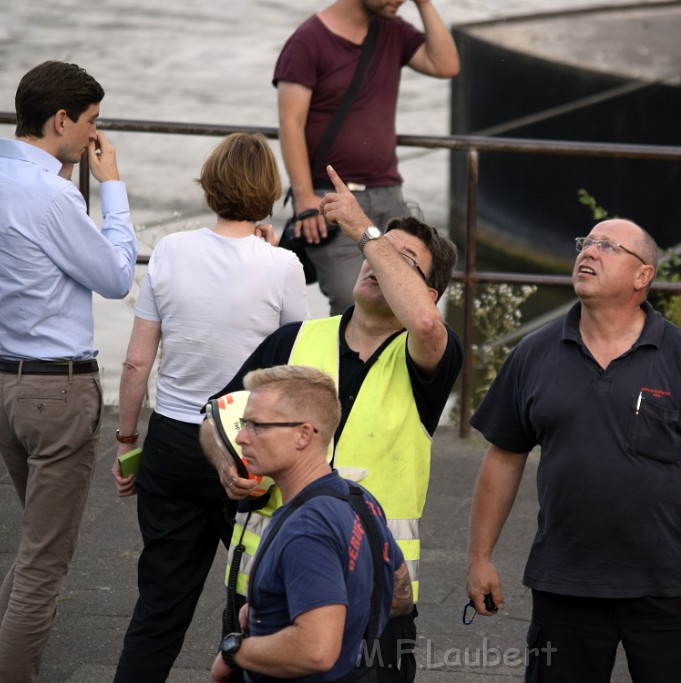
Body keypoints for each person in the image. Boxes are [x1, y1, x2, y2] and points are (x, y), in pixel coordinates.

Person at [203, 165, 462, 680]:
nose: (375, 260)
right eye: (377, 251)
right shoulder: (296, 338)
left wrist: (365, 230)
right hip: (266, 583)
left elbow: (428, 325)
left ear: (427, 293)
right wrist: (225, 462)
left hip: (375, 595)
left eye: (399, 259)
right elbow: (215, 417)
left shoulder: (428, 356)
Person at [465, 219, 681, 683]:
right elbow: (503, 458)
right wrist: (479, 559)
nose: (588, 252)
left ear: (643, 276)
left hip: (672, 588)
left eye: (607, 246)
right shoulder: (534, 354)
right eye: (585, 243)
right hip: (564, 584)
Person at [0, 60, 138, 683]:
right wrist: (111, 187)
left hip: (1, 384)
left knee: (35, 548)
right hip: (57, 389)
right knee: (45, 565)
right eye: (90, 123)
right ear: (61, 120)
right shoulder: (54, 194)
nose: (93, 138)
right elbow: (113, 277)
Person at [111, 132, 309, 682]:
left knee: (159, 605)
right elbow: (296, 361)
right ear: (267, 190)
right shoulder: (283, 267)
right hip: (247, 445)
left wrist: (128, 442)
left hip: (173, 439)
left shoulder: (171, 251)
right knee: (258, 598)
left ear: (210, 183)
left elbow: (135, 363)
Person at [210, 365, 412, 683]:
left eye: (256, 426)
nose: (240, 437)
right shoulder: (359, 498)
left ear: (304, 434)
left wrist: (235, 650)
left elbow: (315, 651)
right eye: (243, 423)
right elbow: (400, 597)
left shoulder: (306, 529)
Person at [275, 0, 460, 315]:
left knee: (408, 298)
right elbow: (290, 123)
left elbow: (445, 65)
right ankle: (342, 366)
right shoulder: (307, 41)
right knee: (351, 303)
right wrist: (306, 199)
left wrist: (425, 4)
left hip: (389, 196)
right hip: (330, 199)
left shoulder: (393, 30)